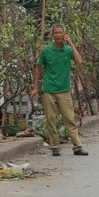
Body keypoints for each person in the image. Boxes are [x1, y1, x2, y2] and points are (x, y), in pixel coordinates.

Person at [32, 24, 87, 157]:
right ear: (52, 35)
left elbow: (79, 61)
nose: (58, 35)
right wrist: (35, 87)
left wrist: (71, 43)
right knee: (51, 119)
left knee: (70, 119)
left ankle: (77, 146)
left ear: (64, 34)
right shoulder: (46, 51)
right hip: (49, 90)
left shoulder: (68, 51)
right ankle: (55, 146)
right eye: (55, 33)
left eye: (60, 33)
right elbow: (38, 68)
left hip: (64, 90)